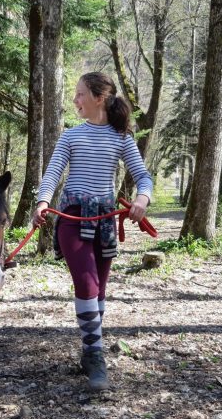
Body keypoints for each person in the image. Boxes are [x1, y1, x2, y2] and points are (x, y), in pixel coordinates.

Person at [31, 72, 153, 391]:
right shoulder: (71, 136)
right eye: (75, 94)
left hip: (104, 222)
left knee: (99, 291)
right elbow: (53, 172)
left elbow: (144, 177)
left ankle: (88, 352)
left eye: (81, 94)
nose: (76, 100)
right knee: (86, 284)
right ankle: (97, 356)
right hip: (71, 219)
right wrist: (43, 202)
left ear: (100, 98)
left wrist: (142, 200)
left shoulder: (121, 138)